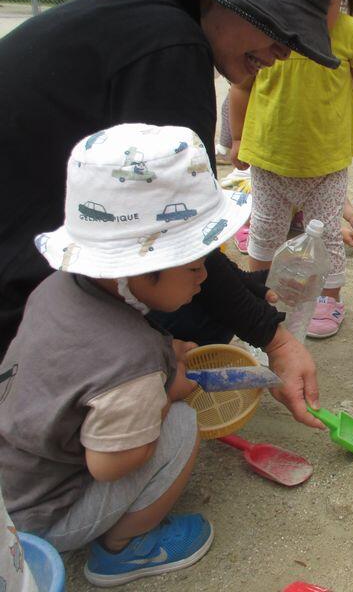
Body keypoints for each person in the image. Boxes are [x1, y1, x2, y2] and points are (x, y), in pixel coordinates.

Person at [0, 0, 339, 429]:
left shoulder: (149, 14)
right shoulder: (171, 51)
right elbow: (171, 236)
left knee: (207, 302)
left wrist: (244, 289)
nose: (284, 51)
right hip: (17, 283)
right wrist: (276, 339)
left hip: (34, 224)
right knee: (199, 318)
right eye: (278, 26)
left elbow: (164, 224)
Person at [0, 124, 254, 585]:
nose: (204, 277)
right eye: (195, 265)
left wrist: (161, 356)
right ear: (143, 268)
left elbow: (84, 366)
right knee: (181, 427)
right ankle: (124, 548)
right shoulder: (130, 362)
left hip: (12, 482)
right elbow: (109, 463)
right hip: (45, 517)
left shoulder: (58, 288)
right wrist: (165, 391)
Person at [229, 0, 353, 339]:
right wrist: (236, 138)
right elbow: (241, 88)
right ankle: (257, 293)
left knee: (328, 233)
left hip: (327, 161)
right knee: (265, 229)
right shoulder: (265, 31)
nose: (314, 10)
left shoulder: (351, 33)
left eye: (326, 0)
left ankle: (329, 299)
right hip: (270, 157)